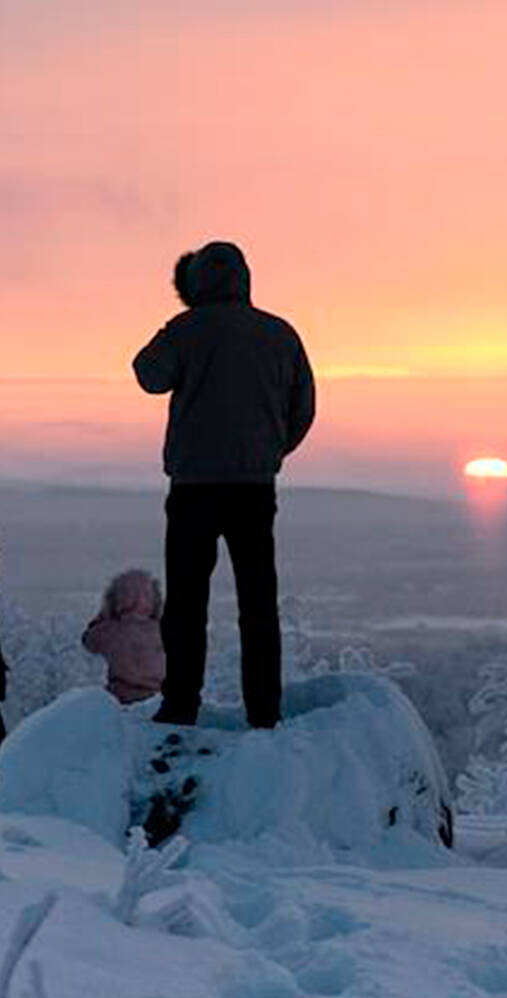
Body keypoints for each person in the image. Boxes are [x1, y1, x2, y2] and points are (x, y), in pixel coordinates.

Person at [132, 241, 315, 729]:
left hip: (193, 485)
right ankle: (263, 710)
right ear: (245, 279)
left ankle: (180, 705)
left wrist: (180, 325)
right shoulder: (280, 334)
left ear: (195, 284)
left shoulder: (188, 330)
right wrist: (270, 452)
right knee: (258, 602)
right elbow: (303, 408)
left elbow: (148, 375)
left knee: (187, 602)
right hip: (254, 487)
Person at [82, 569, 165, 704]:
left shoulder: (109, 631)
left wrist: (103, 615)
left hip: (121, 698)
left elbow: (88, 642)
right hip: (159, 698)